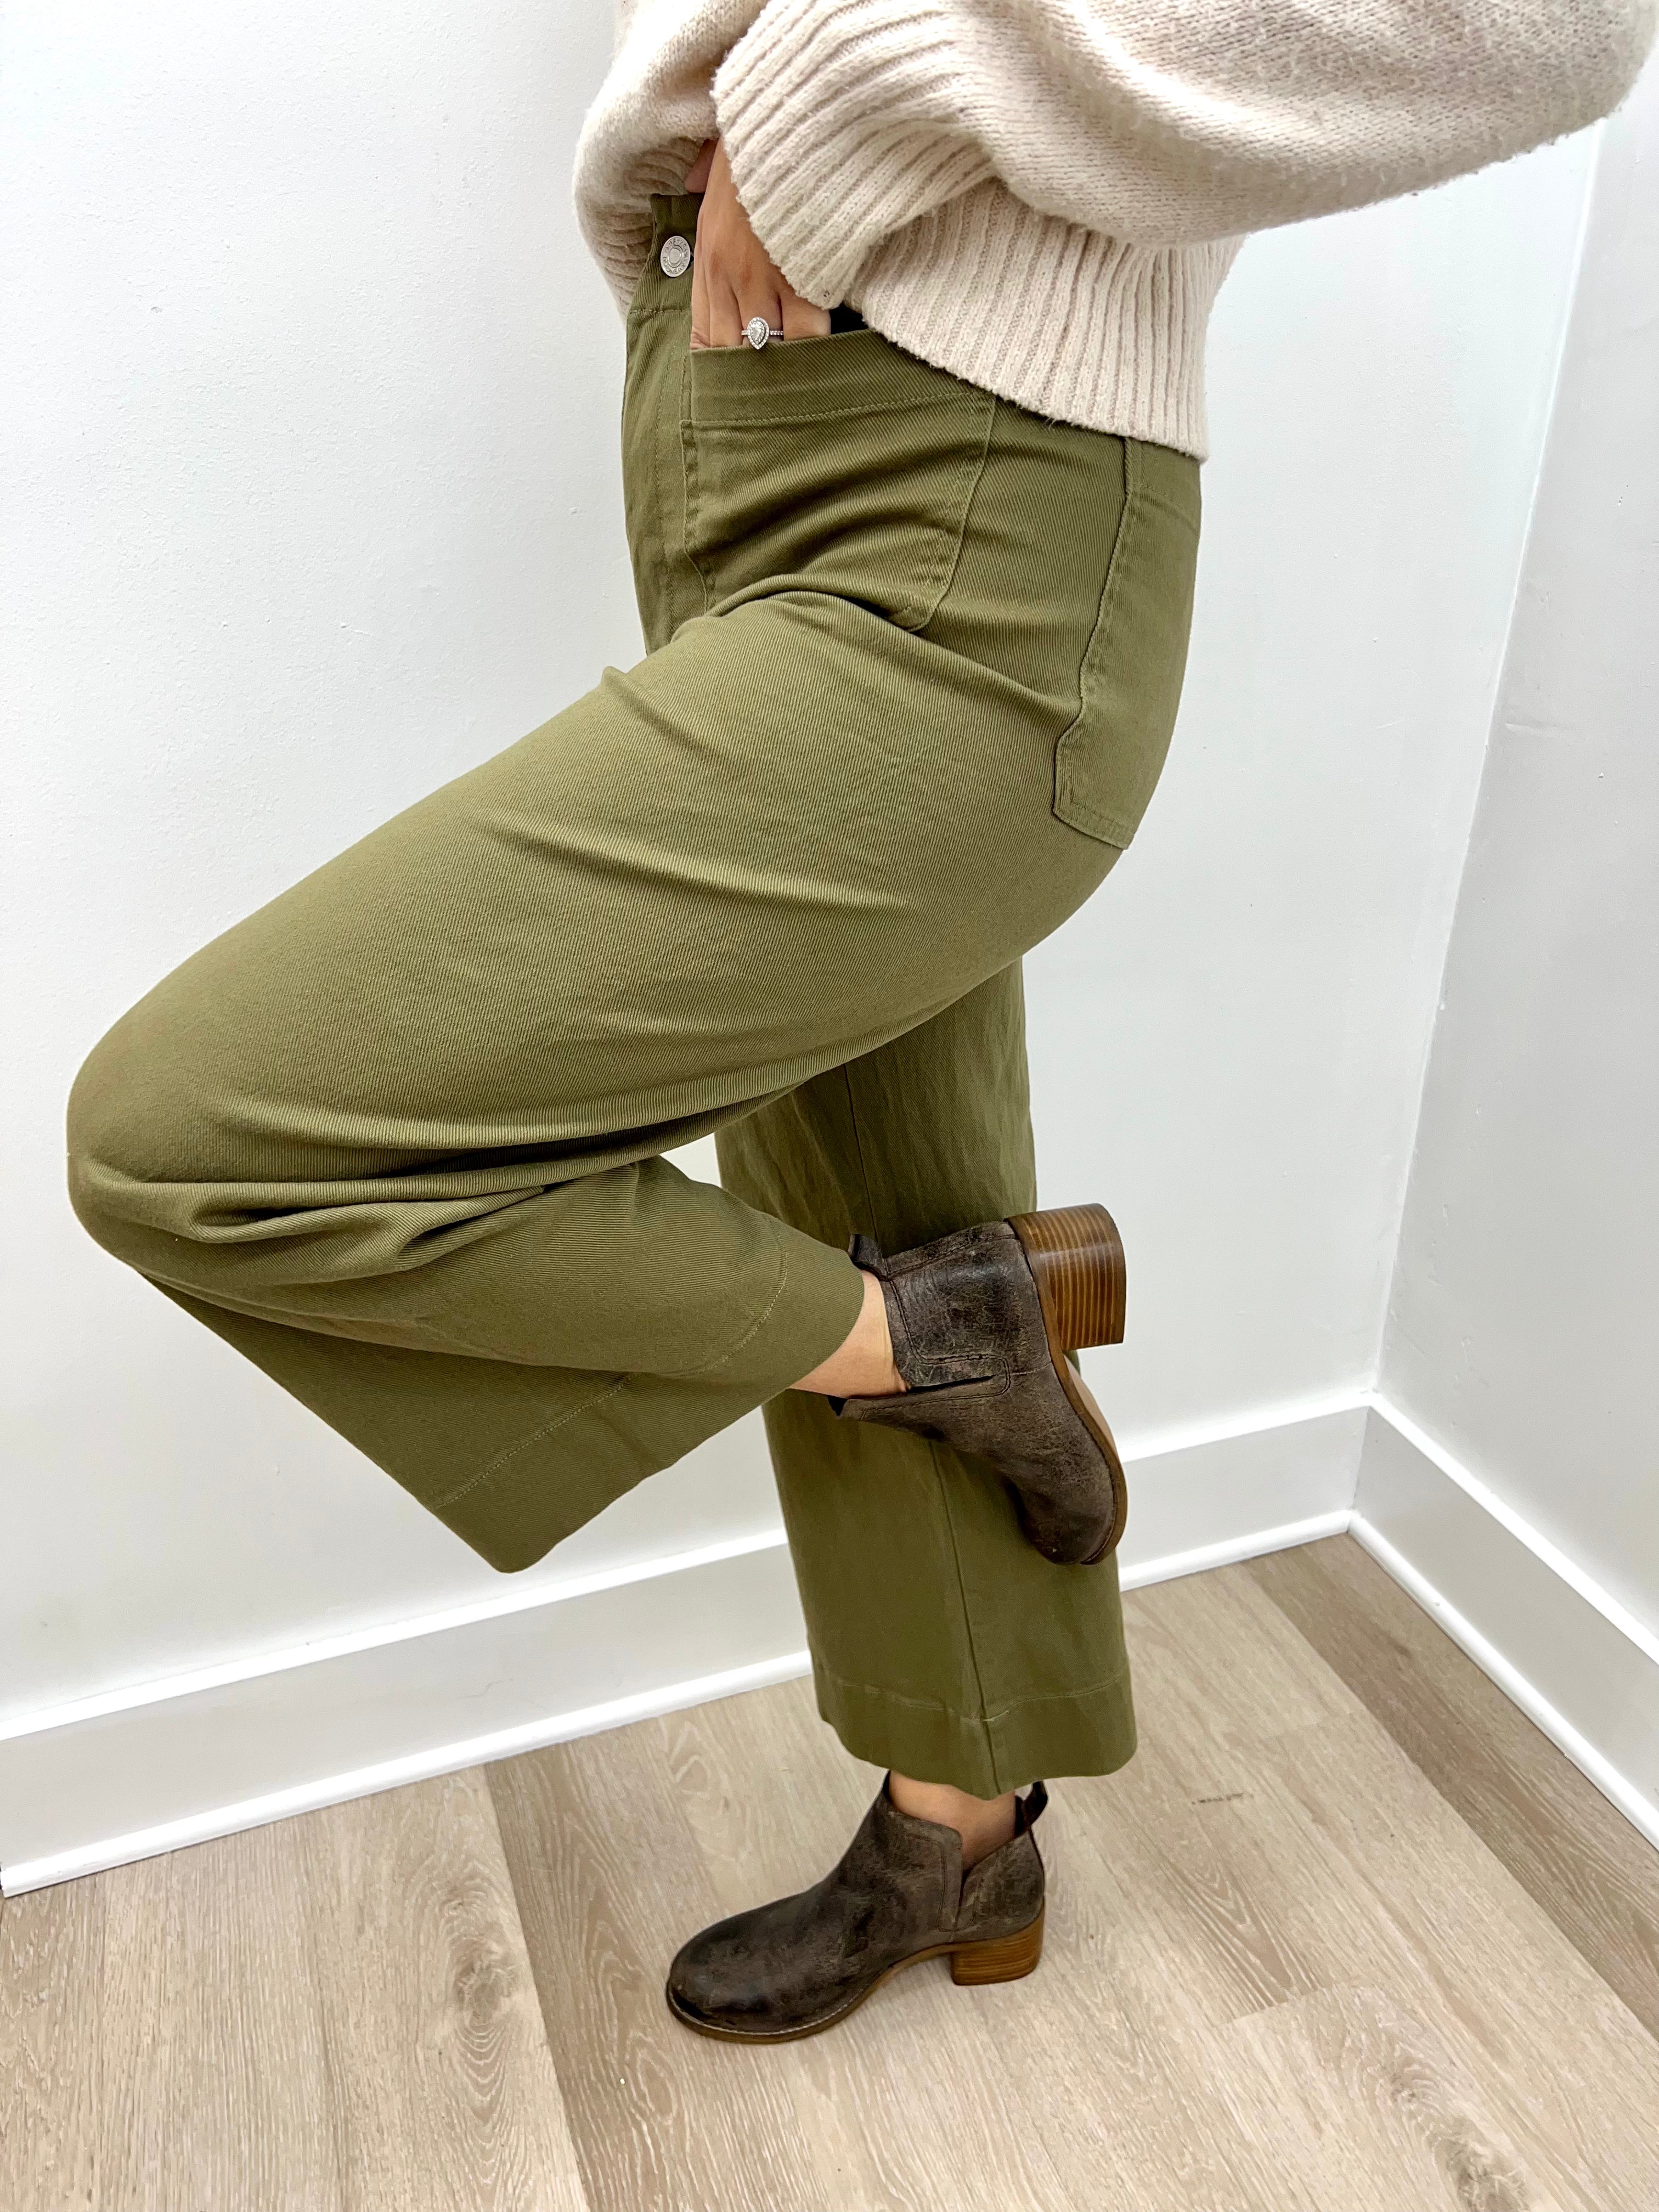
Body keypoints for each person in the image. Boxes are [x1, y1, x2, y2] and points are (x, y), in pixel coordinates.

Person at [66, 0, 1650, 2044]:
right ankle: (958, 1834)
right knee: (873, 1181)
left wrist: (856, 78)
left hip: (970, 514)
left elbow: (1555, 29)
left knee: (204, 1142)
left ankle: (936, 1341)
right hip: (734, 424)